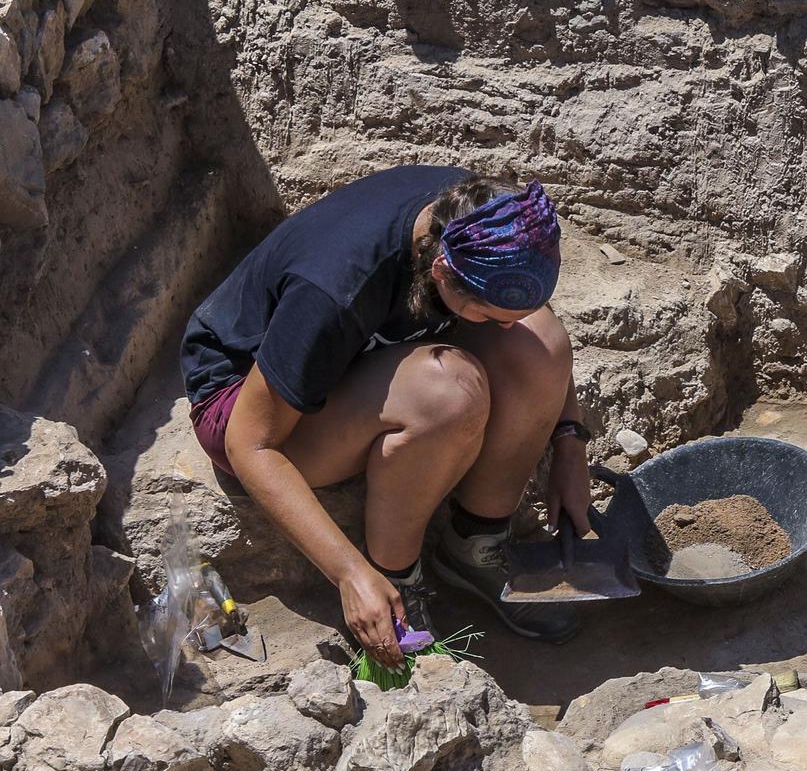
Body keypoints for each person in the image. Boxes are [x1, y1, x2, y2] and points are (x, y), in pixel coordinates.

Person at [181, 167, 597, 667]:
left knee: (541, 342)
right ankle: (396, 583)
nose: (503, 328)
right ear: (442, 272)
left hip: (351, 358)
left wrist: (570, 441)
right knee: (448, 392)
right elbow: (250, 445)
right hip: (242, 398)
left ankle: (475, 546)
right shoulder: (336, 287)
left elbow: (531, 327)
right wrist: (350, 575)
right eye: (488, 314)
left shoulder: (482, 220)